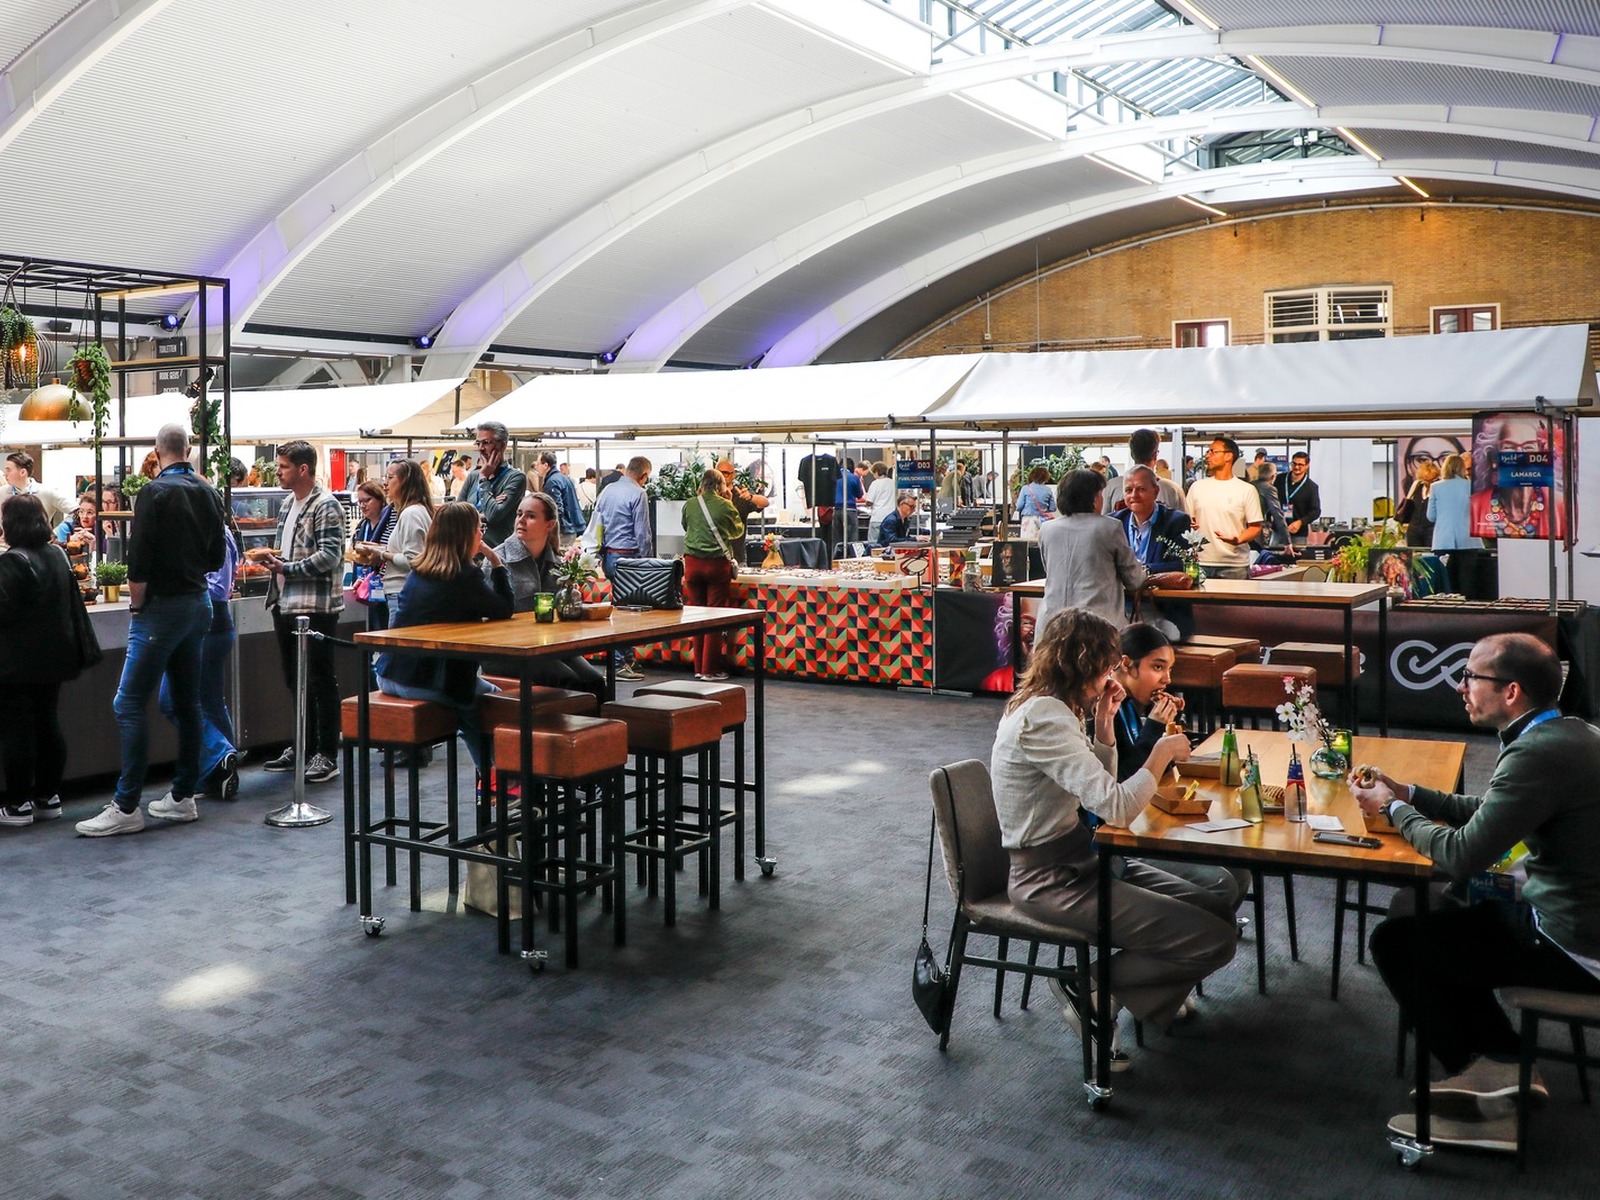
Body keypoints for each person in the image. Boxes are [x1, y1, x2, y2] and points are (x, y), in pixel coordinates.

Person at [1352, 633, 1600, 1136]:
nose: (1460, 687)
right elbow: (1492, 814)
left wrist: (1393, 809)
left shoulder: (1537, 754)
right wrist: (1411, 793)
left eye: (1470, 677)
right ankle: (1502, 1062)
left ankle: (1494, 1074)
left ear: (1511, 692)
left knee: (1397, 942)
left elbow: (1463, 854)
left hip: (1573, 942)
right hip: (1566, 912)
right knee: (1424, 908)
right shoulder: (1568, 733)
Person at [989, 607, 1237, 1067]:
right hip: (1051, 879)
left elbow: (1099, 797)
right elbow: (1118, 809)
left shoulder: (1051, 706)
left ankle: (1105, 996)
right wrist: (1159, 753)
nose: (1110, 677)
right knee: (1215, 940)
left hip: (1084, 859)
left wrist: (1105, 725)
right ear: (1084, 664)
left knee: (1218, 909)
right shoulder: (1044, 718)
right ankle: (1090, 987)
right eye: (1106, 667)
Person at [76, 424, 224, 837]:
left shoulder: (153, 492)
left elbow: (138, 561)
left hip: (160, 608)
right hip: (198, 603)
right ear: (188, 450)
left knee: (128, 703)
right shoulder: (208, 492)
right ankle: (183, 796)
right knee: (188, 703)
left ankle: (127, 805)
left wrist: (137, 607)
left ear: (157, 453)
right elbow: (216, 557)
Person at [1110, 623, 1249, 923]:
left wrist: (1170, 725)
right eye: (1157, 667)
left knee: (1241, 872)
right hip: (1119, 837)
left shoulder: (1132, 705)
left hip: (1144, 820)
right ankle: (1194, 934)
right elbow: (1126, 778)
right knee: (1222, 884)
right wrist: (1155, 728)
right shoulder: (1107, 710)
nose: (1167, 679)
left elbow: (1158, 772)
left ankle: (1210, 930)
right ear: (1126, 665)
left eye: (1169, 669)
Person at [375, 502, 514, 772]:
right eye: (479, 530)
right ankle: (499, 779)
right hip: (426, 680)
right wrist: (497, 563)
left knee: (475, 697)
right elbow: (504, 609)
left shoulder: (419, 570)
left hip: (389, 674)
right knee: (495, 703)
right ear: (468, 535)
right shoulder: (464, 576)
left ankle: (493, 777)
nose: (481, 535)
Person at [259, 439, 346, 785]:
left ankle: (327, 753)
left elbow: (330, 556)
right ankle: (304, 745)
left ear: (303, 469)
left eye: (283, 467)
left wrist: (286, 568)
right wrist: (273, 562)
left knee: (320, 679)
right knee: (295, 679)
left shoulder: (326, 505)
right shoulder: (286, 505)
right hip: (285, 603)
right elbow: (288, 552)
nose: (278, 472)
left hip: (315, 607)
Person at [0, 496, 81, 827]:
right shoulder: (58, 555)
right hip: (55, 656)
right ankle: (48, 796)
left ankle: (18, 804)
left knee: (17, 729)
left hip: (16, 662)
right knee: (48, 722)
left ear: (11, 524)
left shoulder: (11, 561)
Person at [482, 492, 605, 701]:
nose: (521, 520)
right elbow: (486, 615)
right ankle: (564, 722)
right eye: (519, 514)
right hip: (507, 650)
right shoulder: (498, 560)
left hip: (548, 646)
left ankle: (600, 723)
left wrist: (571, 586)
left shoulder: (557, 562)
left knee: (595, 681)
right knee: (567, 680)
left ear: (549, 525)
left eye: (530, 516)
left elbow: (563, 612)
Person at [160, 510, 242, 802]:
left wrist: (180, 585)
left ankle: (220, 753)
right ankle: (220, 773)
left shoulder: (217, 534)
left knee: (171, 699)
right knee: (211, 702)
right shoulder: (204, 533)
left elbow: (218, 589)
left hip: (207, 624)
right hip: (210, 624)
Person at [1037, 469, 1147, 631]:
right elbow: (1134, 579)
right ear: (1094, 498)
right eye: (1100, 494)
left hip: (1052, 624)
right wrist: (1146, 573)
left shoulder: (1047, 529)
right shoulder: (1109, 527)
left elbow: (1050, 569)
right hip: (1096, 626)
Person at [590, 455, 653, 680]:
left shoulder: (607, 490)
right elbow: (642, 533)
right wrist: (649, 561)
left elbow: (596, 524)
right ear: (644, 475)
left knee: (620, 608)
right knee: (629, 614)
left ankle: (626, 658)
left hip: (609, 556)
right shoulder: (638, 493)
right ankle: (618, 663)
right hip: (630, 558)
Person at [358, 458, 435, 635]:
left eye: (390, 477)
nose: (385, 483)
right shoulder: (413, 511)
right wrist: (382, 550)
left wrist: (382, 554)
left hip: (403, 592)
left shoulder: (411, 513)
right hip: (403, 592)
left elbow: (413, 560)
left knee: (399, 647)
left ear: (405, 481)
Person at [683, 469, 744, 681]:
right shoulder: (726, 505)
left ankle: (698, 667)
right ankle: (710, 670)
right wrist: (729, 502)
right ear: (720, 486)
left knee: (696, 616)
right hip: (716, 565)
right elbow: (737, 531)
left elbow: (685, 526)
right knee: (713, 617)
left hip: (692, 564)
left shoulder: (690, 504)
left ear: (702, 484)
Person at [1468, 414, 1567, 540]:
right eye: (1509, 447)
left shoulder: (1560, 505)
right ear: (1494, 459)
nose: (1520, 455)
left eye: (1529, 447)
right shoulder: (1474, 506)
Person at [1185, 437, 1262, 579]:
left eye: (1213, 452)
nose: (1208, 456)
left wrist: (1238, 539)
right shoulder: (1197, 487)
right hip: (1200, 562)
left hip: (1234, 565)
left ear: (1228, 456)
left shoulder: (1246, 490)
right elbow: (1188, 519)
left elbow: (1255, 526)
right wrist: (1189, 524)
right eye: (1208, 452)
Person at [460, 421, 527, 547]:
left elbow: (493, 515)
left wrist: (484, 478)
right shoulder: (473, 476)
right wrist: (484, 513)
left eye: (486, 442)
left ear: (502, 445)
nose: (480, 448)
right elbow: (456, 514)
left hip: (496, 550)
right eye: (478, 443)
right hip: (467, 548)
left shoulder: (515, 477)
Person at [1427, 452, 1481, 592]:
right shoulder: (1472, 486)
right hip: (1469, 540)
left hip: (1444, 540)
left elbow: (1431, 516)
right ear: (1462, 468)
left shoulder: (1435, 487)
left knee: (1447, 584)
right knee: (1468, 583)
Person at [1102, 429, 1185, 516]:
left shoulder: (1111, 486)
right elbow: (1184, 521)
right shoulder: (1172, 489)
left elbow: (1103, 520)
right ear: (1155, 455)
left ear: (1132, 454)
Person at [350, 479, 395, 629]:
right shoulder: (362, 526)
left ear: (380, 499)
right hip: (366, 586)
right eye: (360, 501)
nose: (363, 505)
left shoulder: (391, 523)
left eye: (367, 500)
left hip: (387, 584)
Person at [3, 450, 67, 529]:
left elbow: (75, 511)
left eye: (8, 470)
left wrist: (59, 531)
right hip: (9, 537)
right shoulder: (1, 493)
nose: (4, 474)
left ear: (23, 472)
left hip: (40, 536)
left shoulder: (47, 492)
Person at [1276, 452, 1321, 542]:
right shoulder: (1280, 479)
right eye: (1294, 463)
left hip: (1298, 533)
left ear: (1307, 466)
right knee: (1273, 551)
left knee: (1297, 551)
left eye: (1300, 465)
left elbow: (1316, 511)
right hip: (1278, 531)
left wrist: (1301, 522)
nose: (1296, 467)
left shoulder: (1311, 487)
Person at [1248, 460, 1291, 549]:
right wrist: (1287, 542)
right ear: (1273, 476)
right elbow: (1278, 516)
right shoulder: (1269, 489)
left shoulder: (1249, 485)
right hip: (1255, 531)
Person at [1398, 457, 1439, 548]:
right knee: (1414, 553)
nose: (1428, 483)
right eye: (1425, 480)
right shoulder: (1417, 486)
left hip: (1432, 529)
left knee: (1430, 552)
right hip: (1414, 528)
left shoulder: (1438, 489)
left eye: (1431, 480)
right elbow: (1407, 502)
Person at [56, 492, 109, 557]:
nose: (84, 516)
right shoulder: (66, 528)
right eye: (81, 511)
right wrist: (70, 542)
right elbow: (61, 556)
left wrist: (94, 545)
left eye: (90, 512)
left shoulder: (104, 528)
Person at [1015, 464, 1057, 535]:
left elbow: (1019, 506)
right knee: (1042, 540)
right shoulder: (1048, 490)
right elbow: (1053, 508)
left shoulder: (1025, 488)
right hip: (1043, 521)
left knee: (1028, 540)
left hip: (1028, 520)